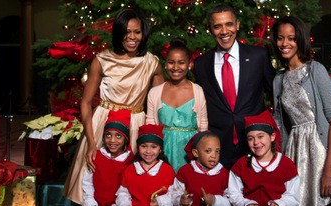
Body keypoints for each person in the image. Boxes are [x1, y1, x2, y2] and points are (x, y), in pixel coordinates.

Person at [63, 8, 164, 204]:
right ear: (118, 33)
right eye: (126, 32)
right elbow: (85, 102)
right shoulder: (102, 60)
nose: (132, 37)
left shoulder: (152, 62)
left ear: (144, 34)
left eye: (137, 32)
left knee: (131, 186)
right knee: (96, 181)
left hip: (135, 124)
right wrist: (92, 143)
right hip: (103, 124)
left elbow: (159, 105)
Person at [271, 16, 331, 205]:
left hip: (322, 149)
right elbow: (279, 123)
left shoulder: (315, 70)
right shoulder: (278, 80)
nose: (285, 43)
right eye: (280, 38)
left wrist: (329, 170)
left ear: (300, 40)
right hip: (295, 150)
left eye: (291, 38)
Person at [193, 4, 277, 169]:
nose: (224, 31)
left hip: (254, 143)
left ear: (237, 24)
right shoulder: (201, 64)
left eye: (229, 24)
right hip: (218, 146)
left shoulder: (258, 56)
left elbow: (275, 93)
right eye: (217, 26)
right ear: (210, 29)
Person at [146, 38, 208, 172]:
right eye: (171, 62)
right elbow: (150, 127)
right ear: (165, 64)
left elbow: (203, 127)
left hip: (190, 153)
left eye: (181, 63)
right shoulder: (155, 92)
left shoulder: (197, 90)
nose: (175, 67)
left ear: (189, 64)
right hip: (163, 151)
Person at [228, 110, 300, 206]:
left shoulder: (286, 164)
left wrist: (278, 204)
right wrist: (246, 203)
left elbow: (293, 196)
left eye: (260, 136)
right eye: (250, 138)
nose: (256, 142)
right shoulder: (241, 165)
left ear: (272, 137)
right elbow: (233, 194)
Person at [155, 131, 230, 205]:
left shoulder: (224, 174)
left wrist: (215, 200)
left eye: (217, 151)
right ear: (196, 153)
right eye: (208, 151)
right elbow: (173, 193)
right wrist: (180, 199)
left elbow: (231, 199)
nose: (214, 155)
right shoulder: (185, 171)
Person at [81, 110, 134, 206]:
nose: (112, 140)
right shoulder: (96, 156)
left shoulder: (130, 161)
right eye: (108, 135)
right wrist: (91, 202)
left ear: (125, 139)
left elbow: (129, 191)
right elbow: (88, 183)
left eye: (118, 136)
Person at [115, 124, 175, 206]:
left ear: (160, 149)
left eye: (153, 147)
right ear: (138, 148)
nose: (148, 151)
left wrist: (159, 201)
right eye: (144, 146)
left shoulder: (167, 170)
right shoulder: (130, 169)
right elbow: (123, 192)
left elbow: (173, 194)